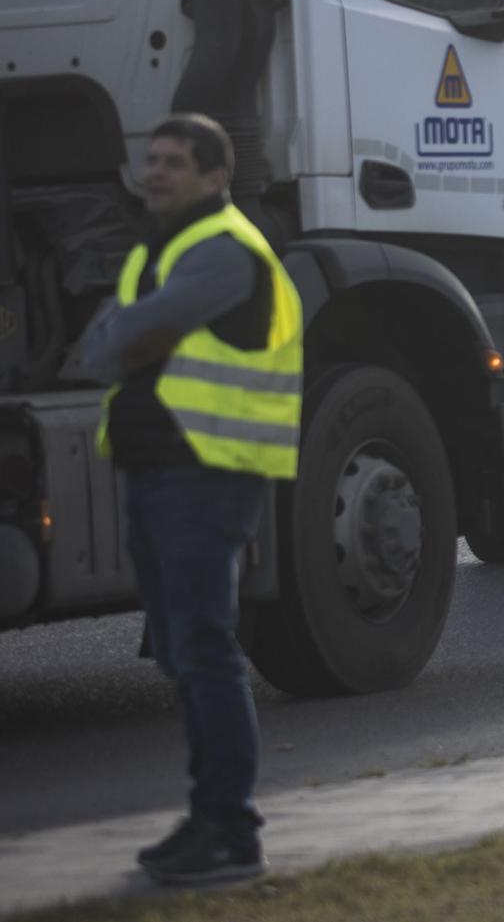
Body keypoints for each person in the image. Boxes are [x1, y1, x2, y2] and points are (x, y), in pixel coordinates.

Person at [83, 114, 302, 886]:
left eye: (175, 162)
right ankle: (209, 814)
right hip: (157, 469)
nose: (157, 172)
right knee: (184, 653)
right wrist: (135, 333)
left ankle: (233, 831)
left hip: (206, 471)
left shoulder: (222, 247)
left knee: (206, 649)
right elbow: (100, 345)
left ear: (215, 176)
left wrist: (137, 332)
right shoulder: (158, 250)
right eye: (152, 160)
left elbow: (135, 329)